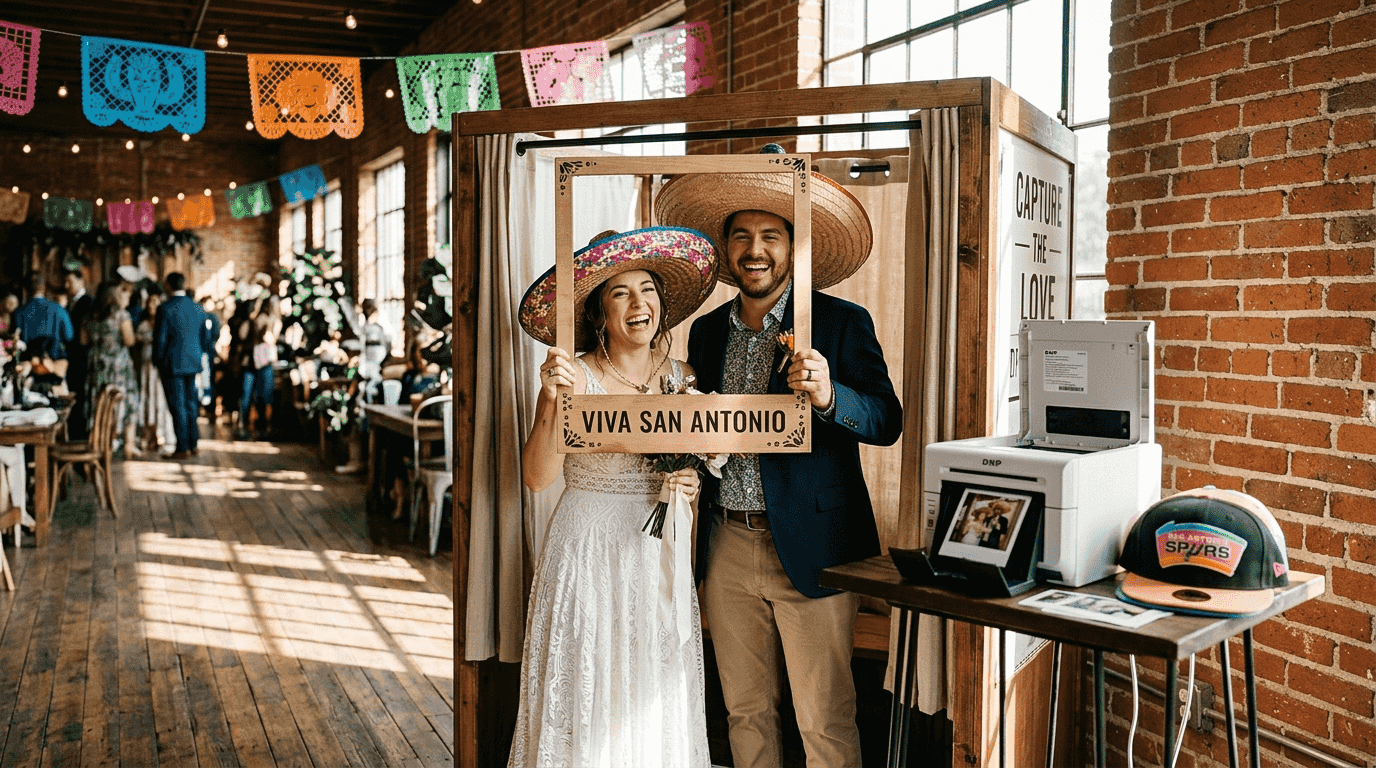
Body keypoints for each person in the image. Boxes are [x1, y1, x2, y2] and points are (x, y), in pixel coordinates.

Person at [655, 153, 903, 768]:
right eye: (742, 236)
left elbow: (886, 420)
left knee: (825, 721)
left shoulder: (842, 324)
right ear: (726, 249)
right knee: (744, 713)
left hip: (818, 546)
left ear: (794, 246)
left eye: (771, 235)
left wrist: (830, 396)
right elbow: (701, 429)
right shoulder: (706, 332)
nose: (755, 250)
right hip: (726, 544)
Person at [510, 227, 719, 767]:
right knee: (590, 680)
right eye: (620, 293)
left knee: (650, 689)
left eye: (647, 289)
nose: (637, 303)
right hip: (589, 547)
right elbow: (536, 477)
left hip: (657, 554)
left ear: (661, 305)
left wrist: (690, 483)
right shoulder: (574, 376)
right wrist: (552, 401)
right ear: (600, 314)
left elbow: (692, 467)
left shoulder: (684, 380)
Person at [153, 272, 212, 460]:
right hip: (193, 362)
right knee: (191, 403)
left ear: (169, 285)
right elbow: (206, 338)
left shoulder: (165, 308)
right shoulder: (197, 308)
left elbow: (160, 339)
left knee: (177, 405)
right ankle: (193, 445)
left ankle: (182, 447)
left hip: (171, 364)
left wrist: (157, 361)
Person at [83, 280, 141, 456]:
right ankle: (128, 444)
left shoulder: (89, 316)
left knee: (99, 402)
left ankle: (102, 442)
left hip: (97, 366)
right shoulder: (121, 315)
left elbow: (83, 340)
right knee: (127, 399)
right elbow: (129, 340)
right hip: (118, 366)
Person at [236, 273, 280, 440]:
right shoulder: (248, 308)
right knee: (245, 393)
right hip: (249, 357)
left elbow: (272, 336)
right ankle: (243, 425)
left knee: (264, 394)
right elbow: (241, 334)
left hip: (264, 357)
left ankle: (264, 427)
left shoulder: (270, 309)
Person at [13, 273, 74, 378]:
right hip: (54, 368)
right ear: (43, 287)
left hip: (28, 369)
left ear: (26, 289)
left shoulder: (19, 313)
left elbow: (15, 341)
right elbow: (69, 336)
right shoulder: (59, 310)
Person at [135, 292, 174, 454]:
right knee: (147, 398)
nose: (151, 305)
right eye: (149, 301)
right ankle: (148, 434)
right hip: (146, 368)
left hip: (160, 367)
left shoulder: (164, 322)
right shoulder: (143, 323)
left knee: (160, 399)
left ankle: (162, 434)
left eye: (155, 301)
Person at [64, 268, 95, 440]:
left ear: (81, 281)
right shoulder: (68, 303)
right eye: (65, 282)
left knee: (82, 397)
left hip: (82, 357)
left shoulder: (88, 302)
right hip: (72, 358)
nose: (66, 285)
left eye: (70, 282)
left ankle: (80, 436)